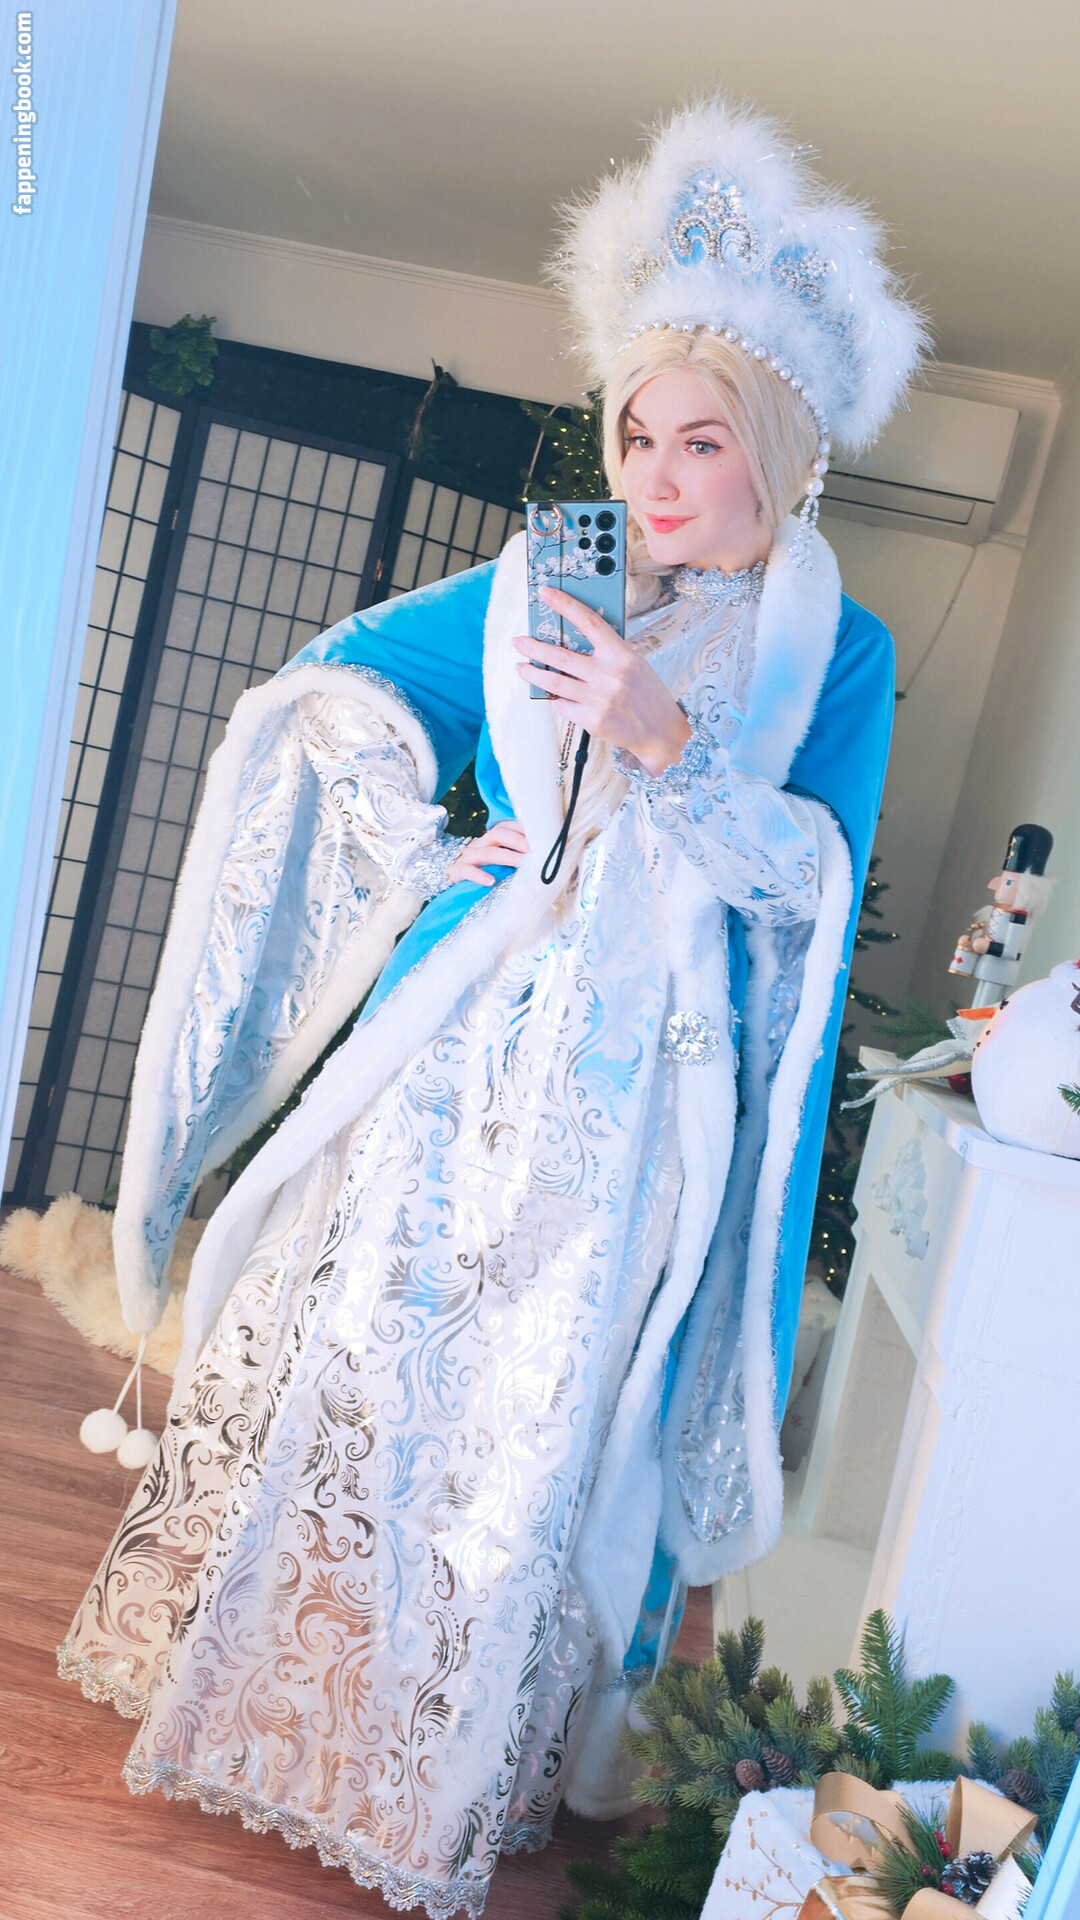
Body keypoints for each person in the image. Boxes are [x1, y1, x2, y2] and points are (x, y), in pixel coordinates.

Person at [58, 97, 925, 1918]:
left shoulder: (834, 647)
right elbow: (339, 691)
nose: (658, 475)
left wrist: (665, 740)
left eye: (702, 439)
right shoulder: (554, 573)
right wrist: (431, 853)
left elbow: (816, 885)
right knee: (365, 1369)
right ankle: (280, 1709)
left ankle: (439, 1766)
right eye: (637, 431)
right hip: (462, 1057)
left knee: (527, 1430)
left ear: (778, 454)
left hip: (633, 1115)